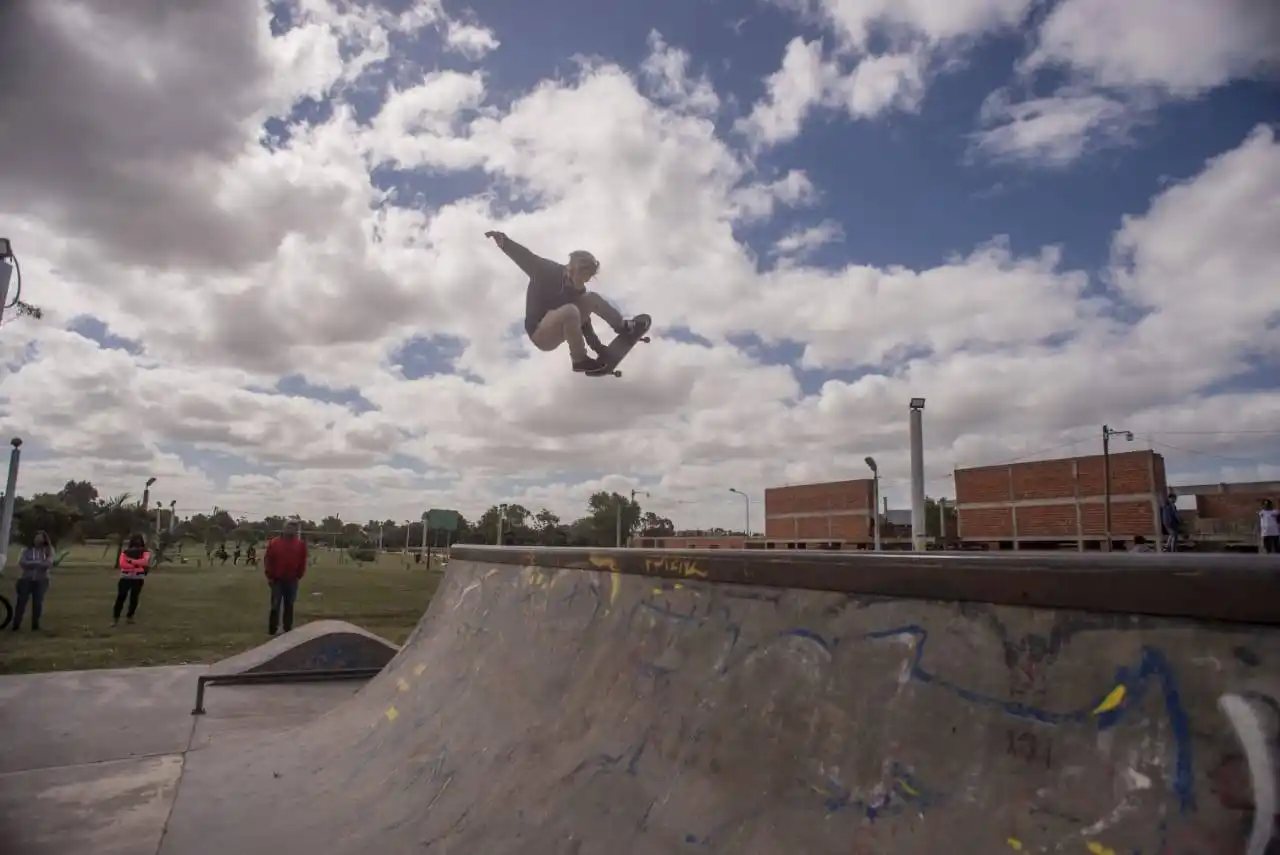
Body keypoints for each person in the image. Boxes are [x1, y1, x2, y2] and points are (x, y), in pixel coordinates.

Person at [484, 230, 641, 373]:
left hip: (563, 324)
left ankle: (621, 326)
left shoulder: (579, 292)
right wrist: (504, 241)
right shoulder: (546, 270)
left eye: (588, 279)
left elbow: (584, 324)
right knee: (570, 311)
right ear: (574, 270)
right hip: (540, 333)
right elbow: (526, 258)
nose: (584, 283)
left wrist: (599, 348)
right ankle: (579, 360)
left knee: (591, 299)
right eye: (583, 277)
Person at [263, 521, 308, 635]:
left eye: (293, 528)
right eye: (288, 528)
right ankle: (272, 629)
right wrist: (269, 576)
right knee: (275, 605)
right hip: (276, 579)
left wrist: (299, 575)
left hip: (292, 580)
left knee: (289, 605)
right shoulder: (274, 543)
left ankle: (287, 628)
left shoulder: (300, 544)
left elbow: (302, 561)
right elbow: (268, 560)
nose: (291, 530)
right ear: (284, 529)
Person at [12, 530, 54, 631]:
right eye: (36, 537)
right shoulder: (26, 550)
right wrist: (38, 563)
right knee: (21, 602)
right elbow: (22, 562)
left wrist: (31, 563)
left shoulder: (48, 550)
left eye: (40, 537)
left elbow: (48, 564)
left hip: (41, 580)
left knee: (38, 603)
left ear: (44, 539)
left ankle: (35, 625)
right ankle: (16, 624)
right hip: (26, 579)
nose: (38, 539)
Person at [113, 533, 151, 625]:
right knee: (121, 597)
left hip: (137, 578)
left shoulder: (145, 552)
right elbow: (122, 564)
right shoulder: (125, 552)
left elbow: (145, 562)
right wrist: (138, 564)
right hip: (126, 577)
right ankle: (116, 618)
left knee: (134, 598)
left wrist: (130, 561)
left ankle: (130, 616)